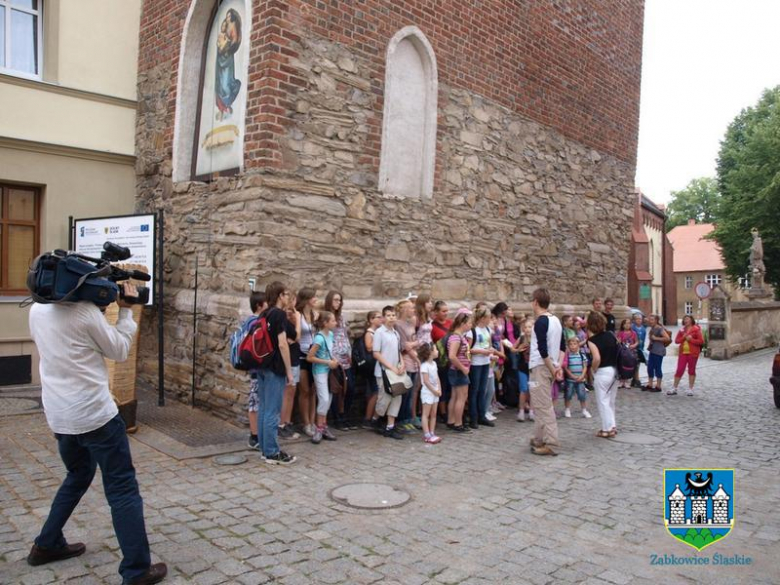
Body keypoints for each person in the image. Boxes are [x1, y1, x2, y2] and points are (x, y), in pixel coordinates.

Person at [27, 282, 167, 585]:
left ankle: (46, 544)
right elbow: (119, 350)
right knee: (122, 488)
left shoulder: (37, 310)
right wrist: (126, 311)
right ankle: (137, 569)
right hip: (95, 416)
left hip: (59, 415)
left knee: (77, 475)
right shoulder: (85, 314)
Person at [256, 282, 297, 464]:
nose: (288, 298)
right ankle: (272, 452)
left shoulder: (265, 313)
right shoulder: (279, 314)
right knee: (272, 412)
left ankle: (265, 450)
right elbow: (282, 343)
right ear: (280, 295)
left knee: (264, 409)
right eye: (286, 294)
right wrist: (289, 371)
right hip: (275, 367)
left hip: (263, 365)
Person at [528, 288, 562, 456]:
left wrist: (552, 368)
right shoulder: (555, 320)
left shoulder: (541, 322)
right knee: (540, 404)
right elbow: (561, 347)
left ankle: (551, 442)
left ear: (535, 302)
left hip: (541, 367)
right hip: (550, 366)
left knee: (544, 406)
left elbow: (542, 350)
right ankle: (538, 437)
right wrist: (558, 366)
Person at [371, 305, 406, 439]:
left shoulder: (395, 333)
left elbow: (398, 352)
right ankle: (375, 419)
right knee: (384, 399)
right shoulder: (380, 333)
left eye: (393, 315)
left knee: (396, 398)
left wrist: (401, 364)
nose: (391, 318)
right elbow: (376, 353)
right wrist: (390, 367)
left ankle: (390, 427)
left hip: (396, 372)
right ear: (384, 317)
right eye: (388, 315)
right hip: (384, 372)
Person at [324, 290, 355, 430]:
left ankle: (346, 415)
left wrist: (349, 352)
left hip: (345, 356)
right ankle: (337, 418)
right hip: (334, 357)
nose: (338, 302)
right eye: (335, 300)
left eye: (340, 300)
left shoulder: (341, 318)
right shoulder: (326, 317)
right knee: (337, 388)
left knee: (351, 388)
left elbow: (344, 335)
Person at [307, 311, 339, 444]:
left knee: (329, 397)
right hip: (320, 370)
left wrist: (334, 360)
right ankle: (319, 428)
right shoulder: (319, 338)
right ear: (325, 323)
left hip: (329, 371)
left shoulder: (330, 334)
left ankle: (323, 426)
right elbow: (310, 357)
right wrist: (327, 362)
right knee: (324, 398)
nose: (335, 323)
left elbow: (330, 352)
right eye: (333, 321)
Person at [587, 311, 619, 438]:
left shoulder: (592, 340)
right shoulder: (611, 335)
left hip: (603, 371)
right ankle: (612, 425)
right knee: (611, 401)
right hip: (615, 370)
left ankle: (606, 429)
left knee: (603, 401)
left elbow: (596, 358)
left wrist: (593, 369)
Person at [245, 290, 267, 449]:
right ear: (260, 305)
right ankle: (254, 436)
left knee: (258, 401)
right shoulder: (254, 322)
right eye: (266, 302)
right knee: (254, 402)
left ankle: (257, 433)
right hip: (256, 368)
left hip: (257, 367)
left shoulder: (252, 321)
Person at [295, 288, 318, 437]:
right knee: (304, 390)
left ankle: (313, 421)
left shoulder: (315, 314)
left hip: (314, 355)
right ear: (307, 298)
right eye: (313, 296)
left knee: (314, 390)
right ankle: (306, 423)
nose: (316, 298)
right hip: (302, 355)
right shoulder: (298, 314)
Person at [396, 299, 421, 431]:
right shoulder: (398, 325)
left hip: (414, 359)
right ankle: (401, 420)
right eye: (411, 308)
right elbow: (404, 346)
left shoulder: (411, 322)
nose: (413, 310)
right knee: (404, 392)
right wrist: (417, 359)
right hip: (407, 360)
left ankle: (407, 417)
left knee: (411, 392)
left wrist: (413, 344)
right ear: (404, 310)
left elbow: (416, 341)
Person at [446, 310, 473, 433]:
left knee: (455, 396)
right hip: (458, 371)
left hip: (457, 370)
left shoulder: (458, 336)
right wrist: (463, 368)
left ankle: (451, 420)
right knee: (461, 397)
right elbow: (452, 356)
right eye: (469, 323)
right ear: (462, 323)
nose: (470, 325)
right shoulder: (456, 337)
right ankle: (458, 423)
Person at [671, 315, 705, 396]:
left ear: (691, 320)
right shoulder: (682, 330)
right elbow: (676, 341)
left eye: (687, 319)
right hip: (683, 353)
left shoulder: (696, 329)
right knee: (679, 369)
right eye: (685, 319)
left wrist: (691, 339)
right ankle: (674, 388)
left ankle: (690, 389)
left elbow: (701, 341)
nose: (686, 321)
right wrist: (683, 337)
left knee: (691, 370)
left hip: (693, 353)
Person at [361, 311, 383, 428]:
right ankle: (368, 418)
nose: (381, 319)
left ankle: (373, 417)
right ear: (371, 320)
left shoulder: (379, 332)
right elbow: (369, 347)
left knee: (376, 392)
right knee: (375, 393)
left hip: (378, 365)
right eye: (378, 317)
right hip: (372, 366)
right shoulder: (370, 333)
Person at [430, 301, 452, 420]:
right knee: (441, 384)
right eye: (443, 311)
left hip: (451, 359)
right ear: (436, 312)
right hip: (440, 360)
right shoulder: (432, 326)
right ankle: (442, 411)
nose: (446, 313)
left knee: (450, 385)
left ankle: (450, 409)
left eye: (447, 311)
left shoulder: (450, 323)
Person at [418, 343, 442, 444]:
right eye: (436, 350)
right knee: (426, 414)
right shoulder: (424, 366)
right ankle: (427, 434)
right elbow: (426, 382)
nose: (437, 352)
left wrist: (439, 389)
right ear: (430, 353)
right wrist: (434, 391)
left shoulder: (434, 364)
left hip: (435, 392)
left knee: (434, 414)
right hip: (428, 392)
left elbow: (436, 378)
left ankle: (432, 432)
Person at [562, 337, 591, 419]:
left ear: (578, 345)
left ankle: (584, 409)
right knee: (568, 394)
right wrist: (572, 376)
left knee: (582, 395)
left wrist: (582, 376)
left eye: (574, 344)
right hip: (570, 379)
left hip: (580, 379)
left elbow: (585, 366)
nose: (572, 346)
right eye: (570, 344)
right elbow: (566, 367)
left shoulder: (582, 355)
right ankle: (567, 409)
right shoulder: (567, 356)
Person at [514, 317, 534, 422]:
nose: (527, 329)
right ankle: (521, 411)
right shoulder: (521, 338)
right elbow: (512, 349)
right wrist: (519, 349)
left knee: (533, 389)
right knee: (523, 389)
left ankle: (531, 411)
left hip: (534, 369)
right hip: (522, 367)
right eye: (525, 327)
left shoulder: (537, 338)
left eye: (530, 327)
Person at [645, 314, 667, 393]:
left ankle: (658, 386)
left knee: (657, 368)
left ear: (656, 320)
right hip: (652, 350)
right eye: (650, 320)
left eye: (652, 320)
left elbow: (667, 338)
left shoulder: (659, 328)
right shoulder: (652, 328)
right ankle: (650, 384)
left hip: (659, 351)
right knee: (650, 367)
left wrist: (656, 338)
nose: (650, 321)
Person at [616, 318, 638, 389]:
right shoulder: (620, 333)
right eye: (626, 323)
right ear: (623, 325)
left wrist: (633, 345)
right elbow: (618, 342)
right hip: (623, 352)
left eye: (629, 323)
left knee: (630, 366)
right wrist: (619, 342)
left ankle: (627, 381)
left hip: (631, 353)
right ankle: (621, 380)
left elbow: (637, 341)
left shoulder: (633, 333)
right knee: (622, 365)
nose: (627, 325)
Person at [630, 313, 647, 388]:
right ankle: (636, 379)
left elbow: (644, 338)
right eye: (637, 319)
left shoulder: (643, 328)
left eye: (640, 319)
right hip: (634, 347)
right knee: (635, 363)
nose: (639, 320)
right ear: (634, 320)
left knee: (638, 363)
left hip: (640, 348)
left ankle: (635, 378)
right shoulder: (632, 328)